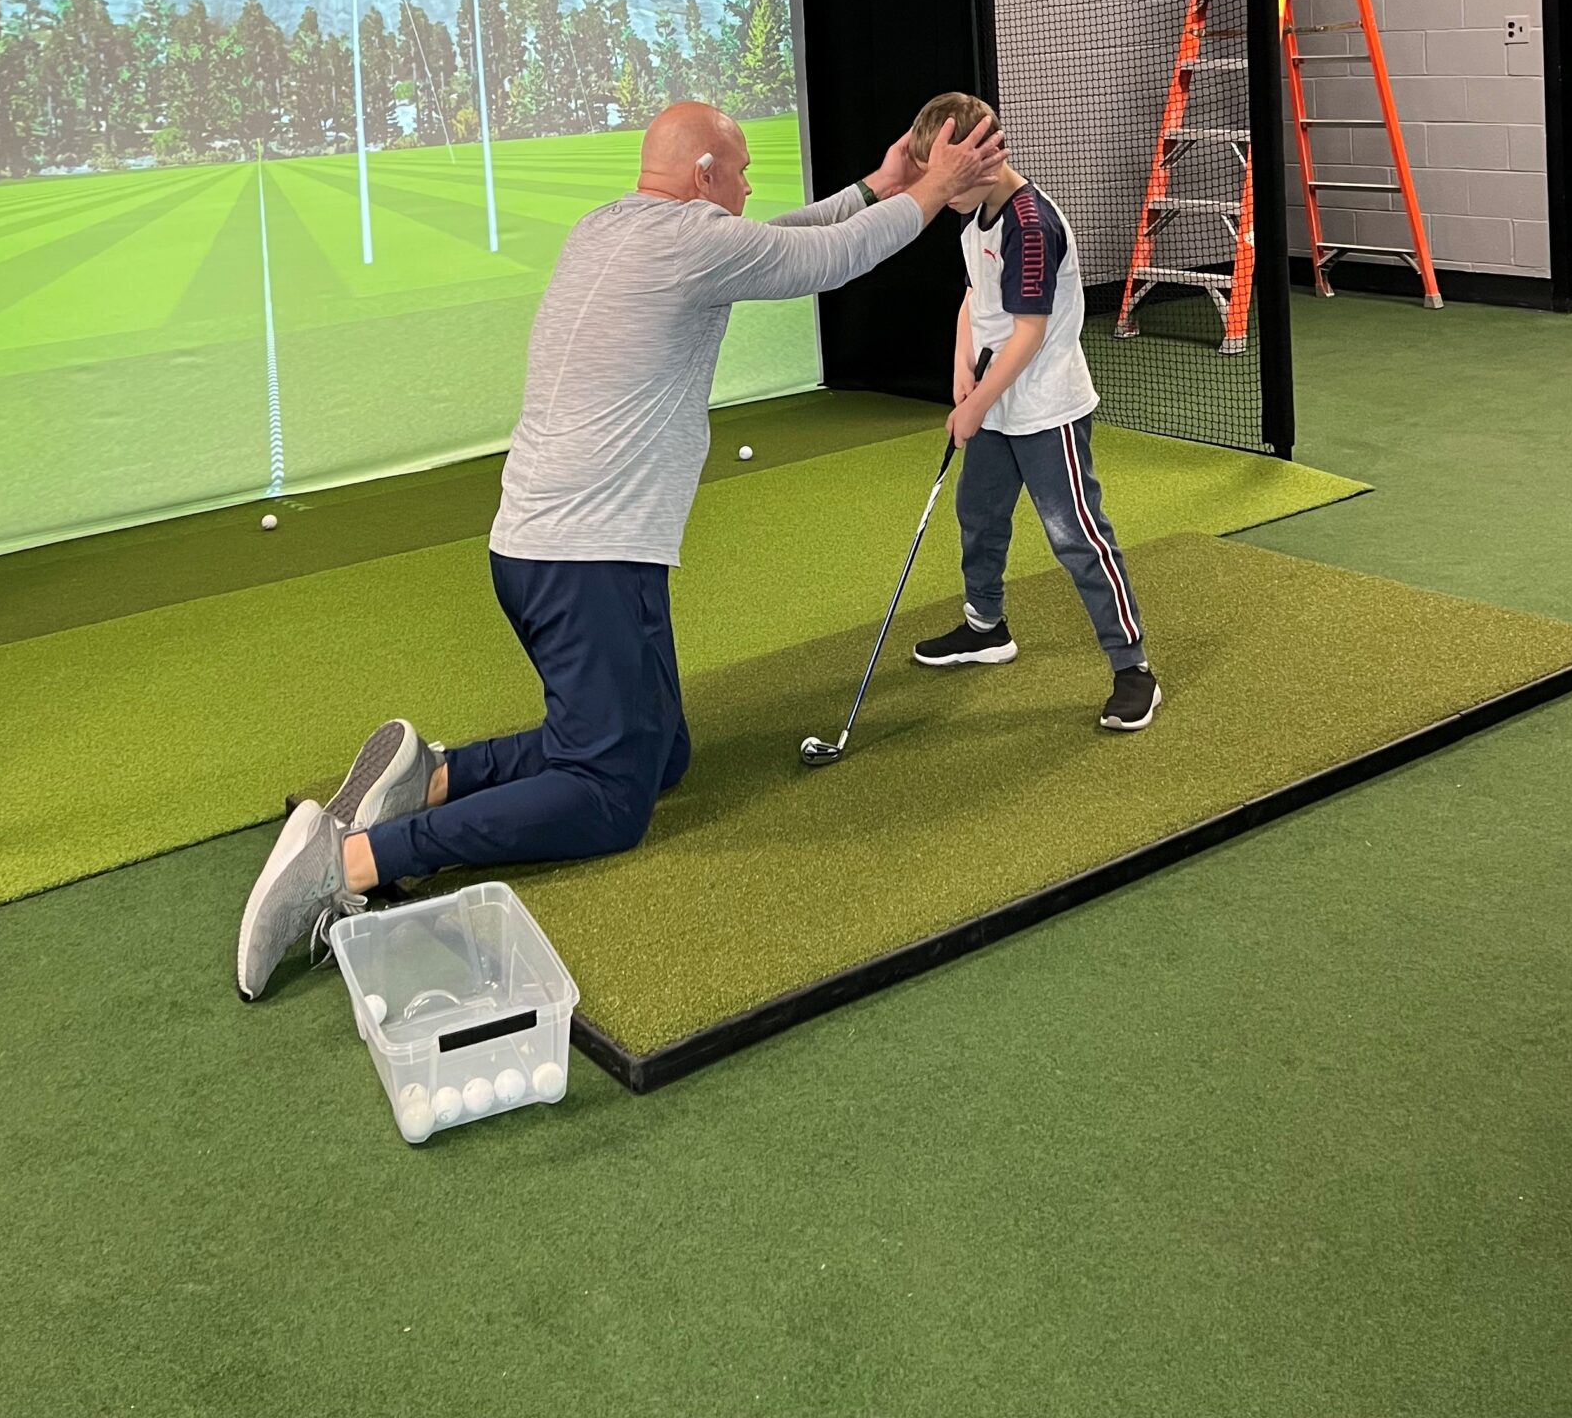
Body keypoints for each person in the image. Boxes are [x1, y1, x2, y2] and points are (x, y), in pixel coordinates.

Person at [235, 97, 1006, 998]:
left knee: (660, 754)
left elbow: (781, 240)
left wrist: (882, 184)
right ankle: (351, 859)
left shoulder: (613, 228)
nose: (751, 186)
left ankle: (432, 774)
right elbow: (822, 260)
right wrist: (933, 191)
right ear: (706, 176)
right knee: (610, 796)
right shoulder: (689, 243)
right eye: (743, 169)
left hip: (554, 552)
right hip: (584, 560)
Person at [900, 91, 1160, 735]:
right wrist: (961, 370)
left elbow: (1029, 331)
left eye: (945, 177)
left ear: (982, 160)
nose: (939, 192)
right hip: (994, 403)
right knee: (978, 514)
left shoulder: (1030, 223)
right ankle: (986, 627)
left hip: (1046, 409)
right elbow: (973, 298)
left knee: (1077, 536)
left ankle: (1134, 670)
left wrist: (976, 405)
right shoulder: (973, 221)